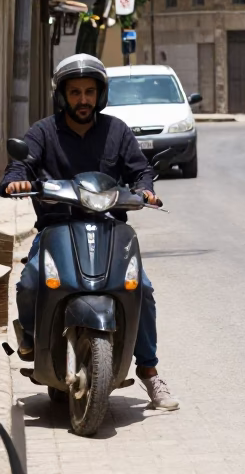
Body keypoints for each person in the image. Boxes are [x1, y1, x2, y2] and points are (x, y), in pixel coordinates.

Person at [2, 54, 179, 411]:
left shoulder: (117, 131)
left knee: (140, 288)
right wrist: (15, 180)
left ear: (100, 95)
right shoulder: (43, 132)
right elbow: (21, 162)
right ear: (62, 96)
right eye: (75, 92)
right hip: (57, 227)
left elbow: (140, 170)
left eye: (89, 92)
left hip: (111, 228)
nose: (83, 99)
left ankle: (149, 371)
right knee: (31, 281)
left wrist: (145, 189)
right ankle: (32, 341)